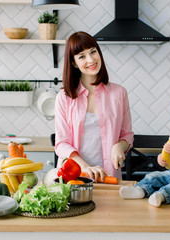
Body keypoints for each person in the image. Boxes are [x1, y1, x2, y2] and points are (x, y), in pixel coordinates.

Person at [54, 31, 134, 182]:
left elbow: (127, 135)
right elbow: (61, 143)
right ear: (73, 63)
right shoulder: (64, 97)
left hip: (108, 176)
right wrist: (84, 167)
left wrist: (120, 146)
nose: (90, 59)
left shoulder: (119, 93)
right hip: (73, 177)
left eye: (93, 52)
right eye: (82, 56)